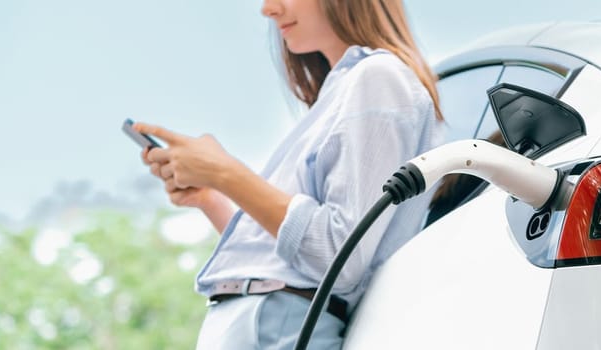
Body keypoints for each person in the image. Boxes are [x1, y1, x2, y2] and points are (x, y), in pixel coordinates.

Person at [132, 0, 443, 348]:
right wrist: (212, 198)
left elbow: (340, 257)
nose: (268, 9)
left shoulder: (379, 78)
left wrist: (226, 173)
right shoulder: (342, 91)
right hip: (261, 320)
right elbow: (285, 258)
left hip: (278, 323)